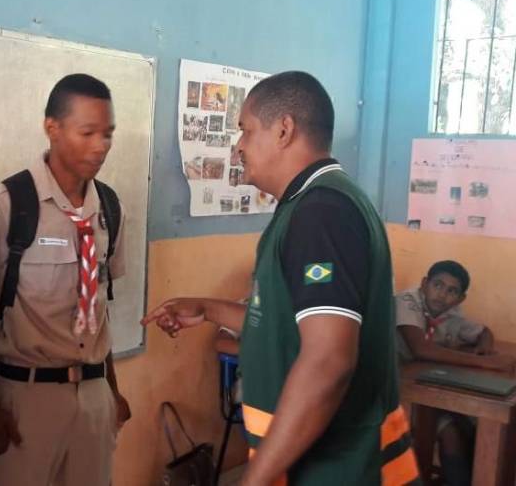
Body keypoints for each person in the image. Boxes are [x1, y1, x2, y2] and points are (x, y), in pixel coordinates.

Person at [143, 71, 420, 485]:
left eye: (246, 130)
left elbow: (328, 360)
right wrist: (209, 308)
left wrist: (255, 478)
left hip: (338, 468)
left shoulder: (321, 213)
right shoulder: (312, 204)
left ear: (284, 130)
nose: (238, 147)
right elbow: (288, 323)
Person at [0, 73, 130, 486]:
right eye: (88, 132)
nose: (101, 145)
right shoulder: (7, 205)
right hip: (23, 398)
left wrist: (112, 391)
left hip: (93, 396)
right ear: (52, 128)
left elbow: (97, 309)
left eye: (108, 134)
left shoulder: (108, 206)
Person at [396, 260, 516, 486]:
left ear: (460, 299)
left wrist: (485, 348)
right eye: (438, 285)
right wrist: (486, 363)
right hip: (398, 394)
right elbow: (421, 349)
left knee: (469, 426)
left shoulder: (452, 315)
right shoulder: (406, 302)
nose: (442, 295)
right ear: (424, 284)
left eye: (452, 291)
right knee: (453, 431)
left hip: (431, 392)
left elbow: (483, 331)